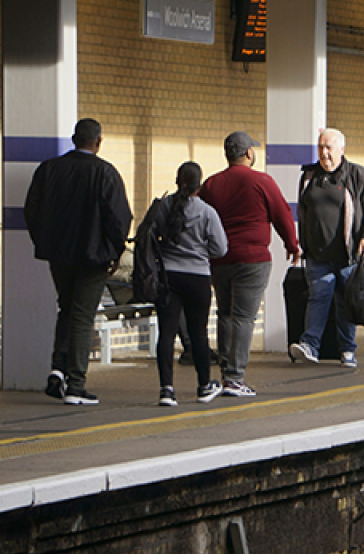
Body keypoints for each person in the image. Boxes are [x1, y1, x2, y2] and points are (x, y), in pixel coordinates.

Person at [24, 118, 133, 406]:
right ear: (98, 142)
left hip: (58, 256)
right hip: (93, 258)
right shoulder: (105, 173)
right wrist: (114, 251)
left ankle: (57, 369)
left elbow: (31, 210)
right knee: (83, 316)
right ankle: (76, 384)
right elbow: (119, 218)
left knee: (68, 309)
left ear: (74, 139)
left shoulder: (49, 170)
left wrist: (44, 242)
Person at [200, 131, 301, 397]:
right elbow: (282, 215)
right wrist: (292, 245)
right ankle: (235, 378)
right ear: (248, 153)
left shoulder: (211, 184)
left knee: (225, 314)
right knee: (244, 318)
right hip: (252, 259)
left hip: (220, 260)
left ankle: (225, 373)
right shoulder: (262, 181)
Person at [289, 127, 364, 369]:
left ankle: (347, 349)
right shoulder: (309, 177)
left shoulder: (358, 176)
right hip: (317, 255)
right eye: (320, 147)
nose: (324, 152)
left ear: (342, 149)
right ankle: (310, 344)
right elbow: (304, 211)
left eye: (329, 147)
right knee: (318, 297)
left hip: (348, 256)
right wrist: (301, 244)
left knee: (345, 303)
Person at [147, 162, 229, 405]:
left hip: (168, 277)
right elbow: (221, 248)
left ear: (176, 180)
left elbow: (150, 235)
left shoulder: (163, 207)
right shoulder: (207, 212)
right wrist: (200, 251)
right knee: (198, 333)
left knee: (167, 333)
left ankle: (166, 390)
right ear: (199, 184)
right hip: (198, 278)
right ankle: (204, 386)